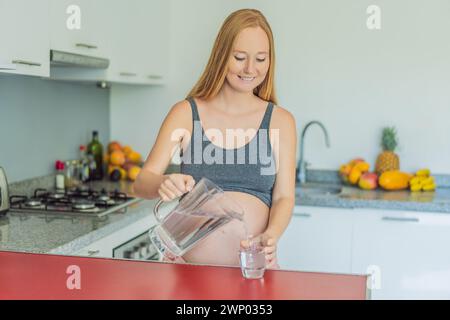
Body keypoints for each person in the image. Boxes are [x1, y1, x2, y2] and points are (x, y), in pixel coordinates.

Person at [133, 9, 297, 269]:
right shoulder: (186, 114)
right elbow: (141, 183)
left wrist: (272, 234)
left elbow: (284, 197)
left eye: (261, 59)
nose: (250, 69)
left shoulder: (280, 121)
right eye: (240, 57)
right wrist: (162, 182)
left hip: (253, 269)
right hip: (185, 271)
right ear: (222, 56)